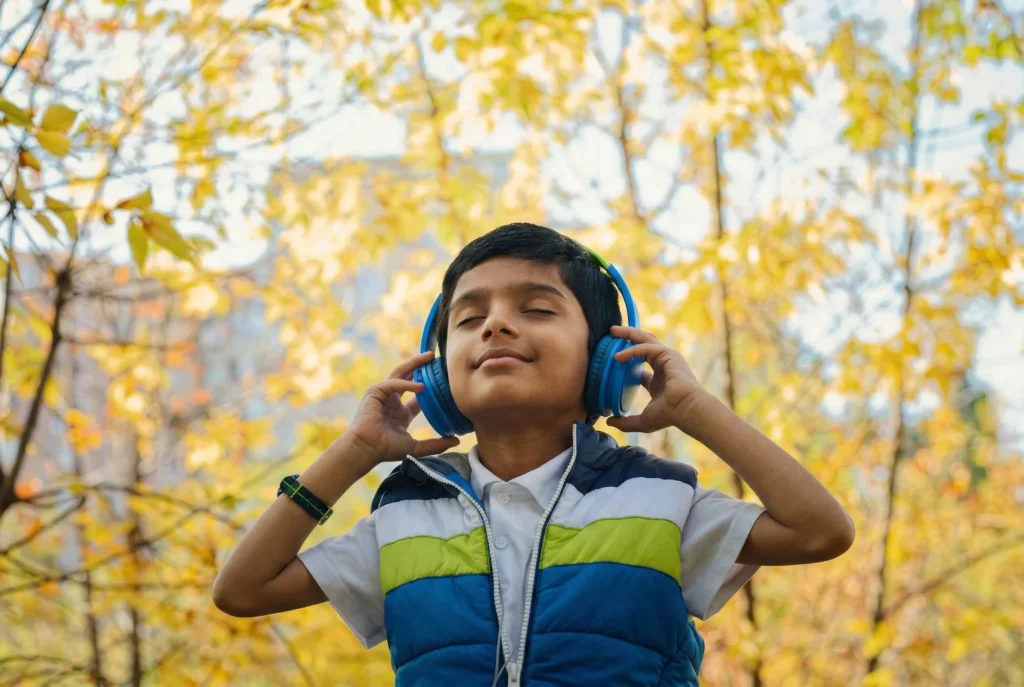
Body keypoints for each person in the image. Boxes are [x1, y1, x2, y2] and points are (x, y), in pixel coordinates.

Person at [213, 223, 855, 686]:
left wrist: (695, 409)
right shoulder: (404, 518)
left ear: (606, 360)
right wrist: (353, 453)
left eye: (537, 308)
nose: (495, 325)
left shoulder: (658, 502)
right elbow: (242, 589)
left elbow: (820, 530)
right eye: (469, 319)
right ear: (439, 377)